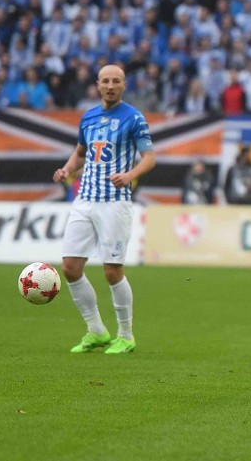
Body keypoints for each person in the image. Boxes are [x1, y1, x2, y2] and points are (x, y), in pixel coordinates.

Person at [52, 64, 156, 354]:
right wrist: (66, 169)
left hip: (114, 201)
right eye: (106, 81)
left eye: (117, 81)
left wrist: (130, 175)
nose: (111, 86)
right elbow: (81, 153)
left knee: (112, 271)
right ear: (97, 85)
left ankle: (126, 335)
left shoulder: (134, 118)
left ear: (124, 85)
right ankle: (96, 330)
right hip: (84, 199)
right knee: (70, 268)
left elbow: (149, 157)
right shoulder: (88, 116)